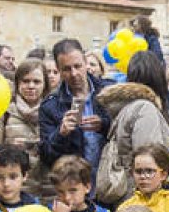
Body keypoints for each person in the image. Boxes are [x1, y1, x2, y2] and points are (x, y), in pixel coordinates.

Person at [92, 51, 169, 207]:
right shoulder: (145, 109)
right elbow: (150, 157)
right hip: (145, 199)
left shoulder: (125, 108)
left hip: (128, 194)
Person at [39, 39, 113, 177]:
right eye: (66, 69)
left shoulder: (110, 91)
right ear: (58, 69)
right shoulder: (50, 106)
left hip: (110, 181)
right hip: (74, 184)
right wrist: (61, 134)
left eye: (77, 66)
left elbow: (125, 133)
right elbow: (47, 156)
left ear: (85, 62)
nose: (73, 73)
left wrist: (104, 125)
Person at [0, 58, 55, 203]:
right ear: (18, 83)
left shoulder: (53, 110)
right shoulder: (6, 110)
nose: (31, 86)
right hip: (15, 189)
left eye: (36, 81)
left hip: (48, 186)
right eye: (26, 81)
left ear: (45, 84)